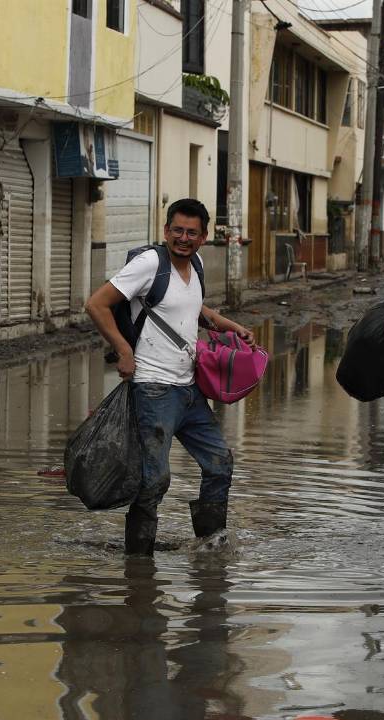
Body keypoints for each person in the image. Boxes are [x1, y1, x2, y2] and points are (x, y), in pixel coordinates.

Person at [85, 198, 254, 558]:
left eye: (192, 232)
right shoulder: (149, 264)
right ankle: (138, 564)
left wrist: (231, 327)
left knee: (220, 463)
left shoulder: (196, 264)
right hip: (153, 389)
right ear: (165, 231)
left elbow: (193, 309)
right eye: (177, 230)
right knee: (155, 479)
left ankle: (209, 545)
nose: (183, 237)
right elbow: (96, 304)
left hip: (189, 389)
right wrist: (124, 350)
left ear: (204, 237)